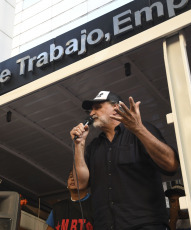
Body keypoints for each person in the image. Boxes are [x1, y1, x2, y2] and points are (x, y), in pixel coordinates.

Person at [70, 90, 179, 230]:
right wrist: (79, 145)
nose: (91, 113)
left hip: (145, 224)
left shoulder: (140, 131)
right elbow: (79, 185)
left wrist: (139, 129)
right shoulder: (94, 147)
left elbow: (171, 165)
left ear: (116, 108)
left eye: (97, 107)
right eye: (90, 110)